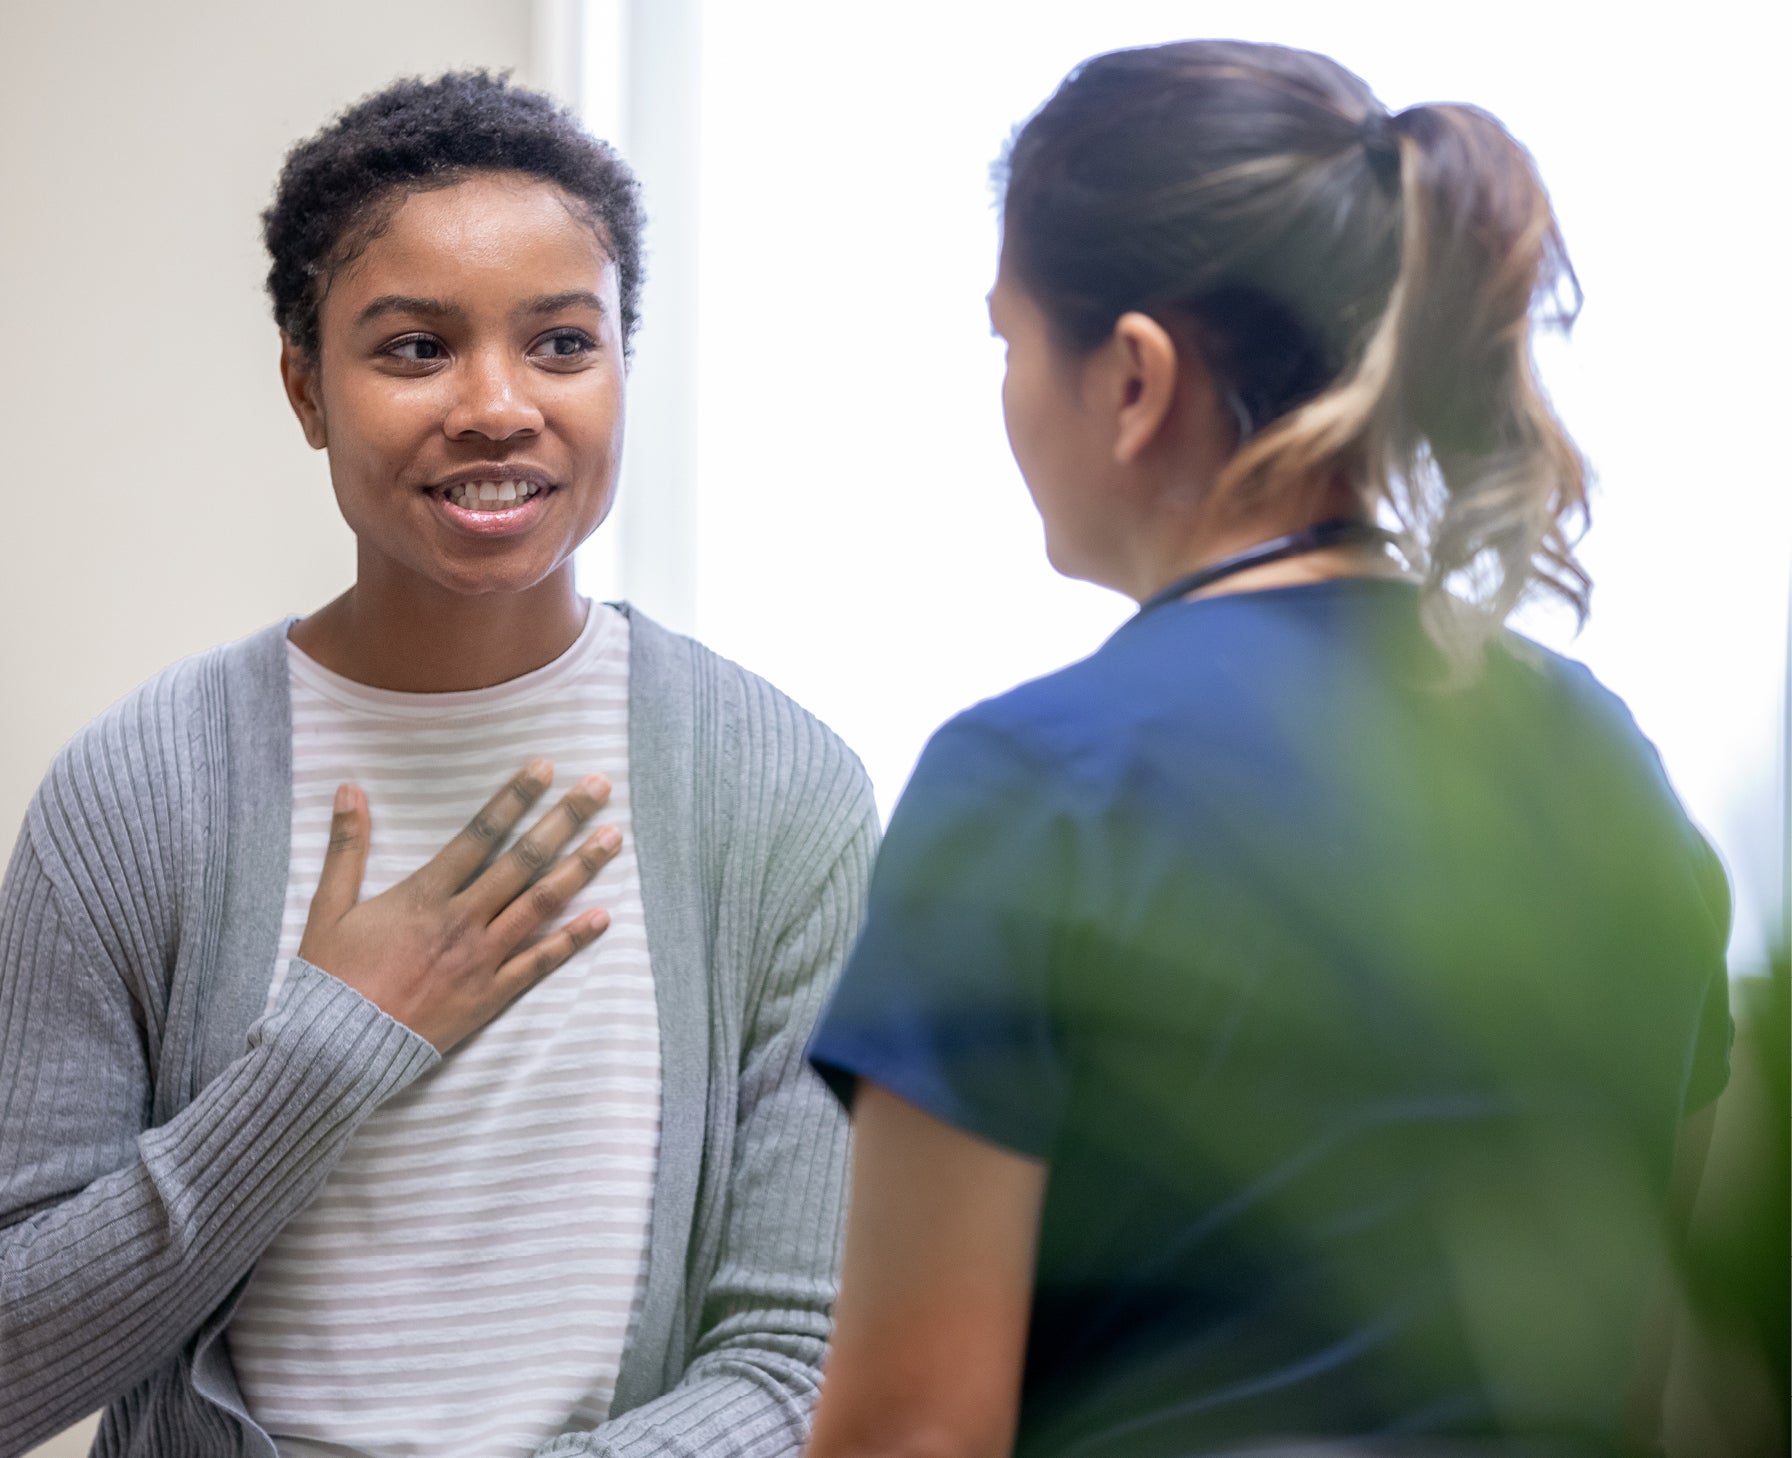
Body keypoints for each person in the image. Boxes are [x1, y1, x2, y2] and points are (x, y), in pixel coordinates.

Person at [805, 40, 1731, 1458]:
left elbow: (911, 1436)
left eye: (1007, 343)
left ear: (1131, 376)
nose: (1003, 396)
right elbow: (1652, 1385)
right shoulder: (1610, 769)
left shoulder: (1035, 786)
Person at [0, 72, 875, 1458]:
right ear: (306, 387)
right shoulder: (138, 795)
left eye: (562, 343)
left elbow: (802, 1364)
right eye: (414, 348)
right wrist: (327, 1049)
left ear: (622, 371)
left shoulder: (779, 793)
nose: (495, 406)